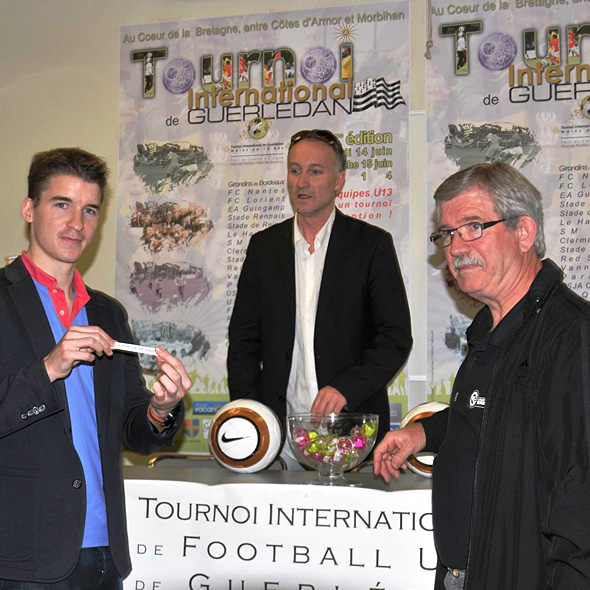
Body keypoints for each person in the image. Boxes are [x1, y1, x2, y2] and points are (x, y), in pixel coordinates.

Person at [374, 162, 590, 589]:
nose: (455, 248)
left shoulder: (571, 336)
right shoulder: (490, 330)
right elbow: (496, 414)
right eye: (447, 234)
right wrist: (425, 434)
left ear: (524, 233)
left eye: (473, 226)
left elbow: (579, 496)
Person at [0, 148, 192, 588]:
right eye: (61, 204)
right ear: (30, 209)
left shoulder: (107, 312)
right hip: (23, 558)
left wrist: (160, 409)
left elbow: (134, 432)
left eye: (89, 210)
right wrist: (49, 367)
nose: (77, 223)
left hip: (106, 555)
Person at [227, 129, 412, 465]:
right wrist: (252, 417)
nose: (302, 182)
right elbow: (243, 342)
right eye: (295, 170)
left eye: (315, 171)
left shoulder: (371, 245)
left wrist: (346, 388)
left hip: (353, 432)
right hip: (278, 439)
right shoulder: (264, 248)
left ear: (339, 181)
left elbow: (395, 337)